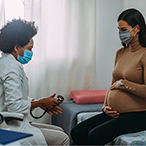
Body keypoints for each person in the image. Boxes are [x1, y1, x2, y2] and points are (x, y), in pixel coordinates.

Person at [71, 8, 146, 145]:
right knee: (77, 132)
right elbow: (112, 86)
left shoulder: (144, 54)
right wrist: (105, 106)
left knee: (95, 136)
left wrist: (124, 84)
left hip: (139, 114)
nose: (120, 33)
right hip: (116, 112)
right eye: (119, 29)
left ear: (137, 28)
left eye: (124, 29)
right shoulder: (120, 53)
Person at [0, 19, 69, 146]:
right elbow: (13, 106)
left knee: (59, 130)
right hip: (8, 125)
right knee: (62, 139)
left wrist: (39, 103)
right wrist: (40, 102)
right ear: (17, 48)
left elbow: (15, 98)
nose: (31, 53)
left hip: (11, 121)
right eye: (29, 48)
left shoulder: (6, 63)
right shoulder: (11, 68)